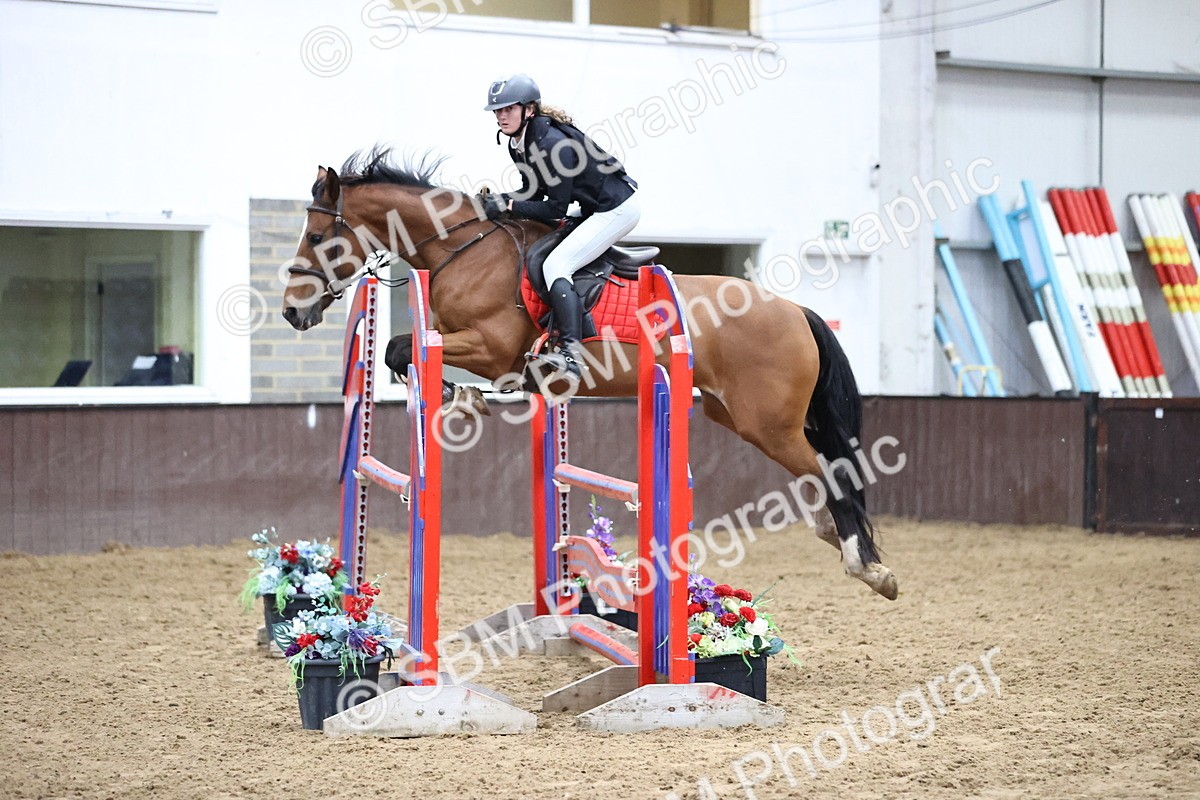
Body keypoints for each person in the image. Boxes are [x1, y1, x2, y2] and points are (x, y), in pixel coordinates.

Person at [480, 74, 640, 380]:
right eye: (497, 111)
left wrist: (509, 206)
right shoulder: (518, 142)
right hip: (594, 206)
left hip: (616, 210)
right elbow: (532, 192)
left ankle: (571, 354)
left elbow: (554, 209)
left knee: (557, 264)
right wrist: (500, 200)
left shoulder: (552, 144)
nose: (501, 116)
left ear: (529, 109)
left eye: (508, 109)